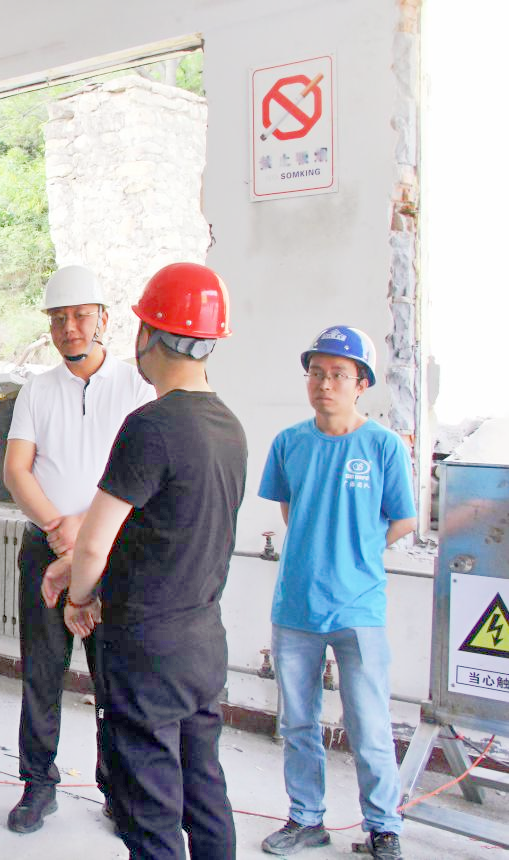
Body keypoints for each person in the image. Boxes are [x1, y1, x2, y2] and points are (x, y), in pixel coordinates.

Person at [46, 262, 246, 859]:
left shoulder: (151, 426)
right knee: (203, 788)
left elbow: (93, 542)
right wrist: (80, 567)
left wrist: (80, 597)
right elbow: (168, 527)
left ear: (147, 335)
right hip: (202, 641)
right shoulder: (230, 427)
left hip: (146, 649)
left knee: (149, 806)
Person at [2, 265, 153, 833]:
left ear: (103, 320)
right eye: (59, 318)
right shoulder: (38, 390)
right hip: (45, 550)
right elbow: (16, 470)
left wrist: (84, 527)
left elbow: (143, 477)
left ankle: (117, 789)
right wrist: (55, 527)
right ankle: (38, 785)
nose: (70, 327)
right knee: (42, 672)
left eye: (80, 316)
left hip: (112, 552)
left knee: (113, 678)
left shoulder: (136, 388)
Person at [257, 326, 415, 860]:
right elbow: (291, 511)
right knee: (298, 722)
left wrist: (358, 550)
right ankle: (306, 819)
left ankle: (383, 827)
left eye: (339, 375)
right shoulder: (289, 443)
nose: (325, 384)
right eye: (317, 373)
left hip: (359, 608)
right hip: (296, 606)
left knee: (369, 724)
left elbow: (403, 520)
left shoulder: (383, 446)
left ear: (362, 384)